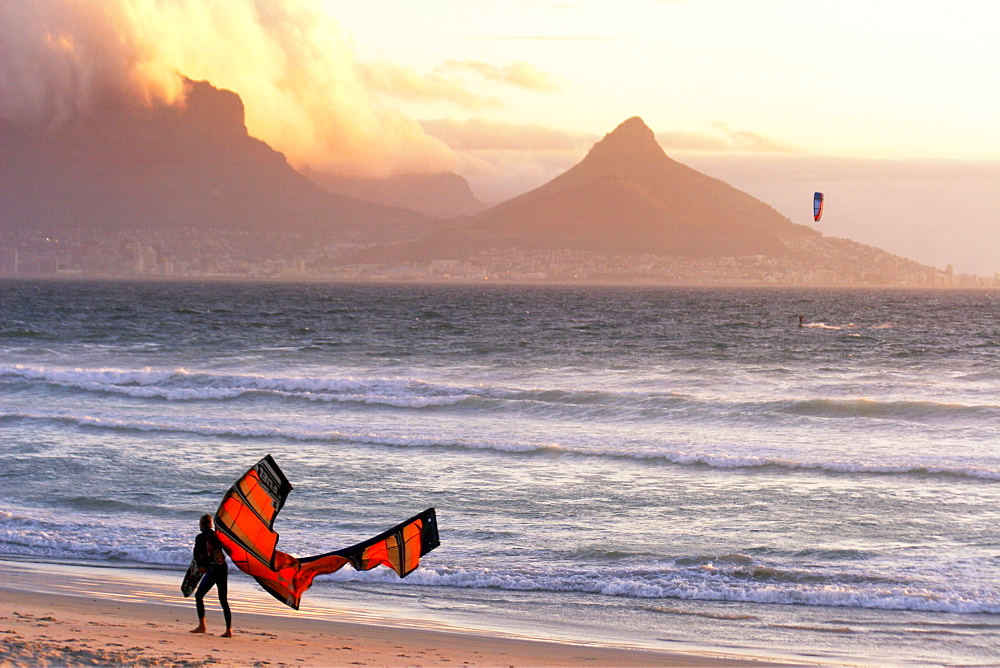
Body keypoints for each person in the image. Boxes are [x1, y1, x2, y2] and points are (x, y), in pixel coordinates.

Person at [189, 513, 232, 637]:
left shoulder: (200, 537)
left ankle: (202, 626)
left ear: (202, 524)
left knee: (199, 595)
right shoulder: (218, 535)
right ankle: (229, 630)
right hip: (223, 568)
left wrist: (201, 566)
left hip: (213, 570)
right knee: (223, 600)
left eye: (200, 524)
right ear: (211, 524)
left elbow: (197, 554)